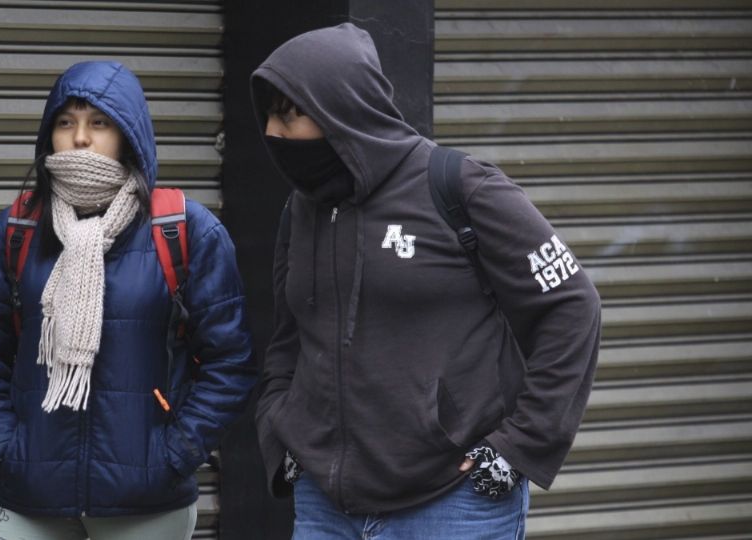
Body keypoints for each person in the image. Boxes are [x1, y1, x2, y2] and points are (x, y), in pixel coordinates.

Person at [252, 24, 601, 539]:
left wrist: (522, 447)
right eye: (268, 117)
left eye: (290, 114)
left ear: (341, 109)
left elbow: (573, 307)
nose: (273, 134)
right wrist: (281, 431)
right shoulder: (300, 211)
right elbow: (288, 337)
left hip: (452, 504)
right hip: (327, 507)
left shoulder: (461, 187)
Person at [0, 61, 255, 540]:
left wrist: (174, 453)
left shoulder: (183, 230)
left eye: (100, 123)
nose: (81, 138)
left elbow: (230, 360)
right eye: (66, 122)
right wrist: (10, 449)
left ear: (129, 133)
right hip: (29, 498)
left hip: (147, 502)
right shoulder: (17, 230)